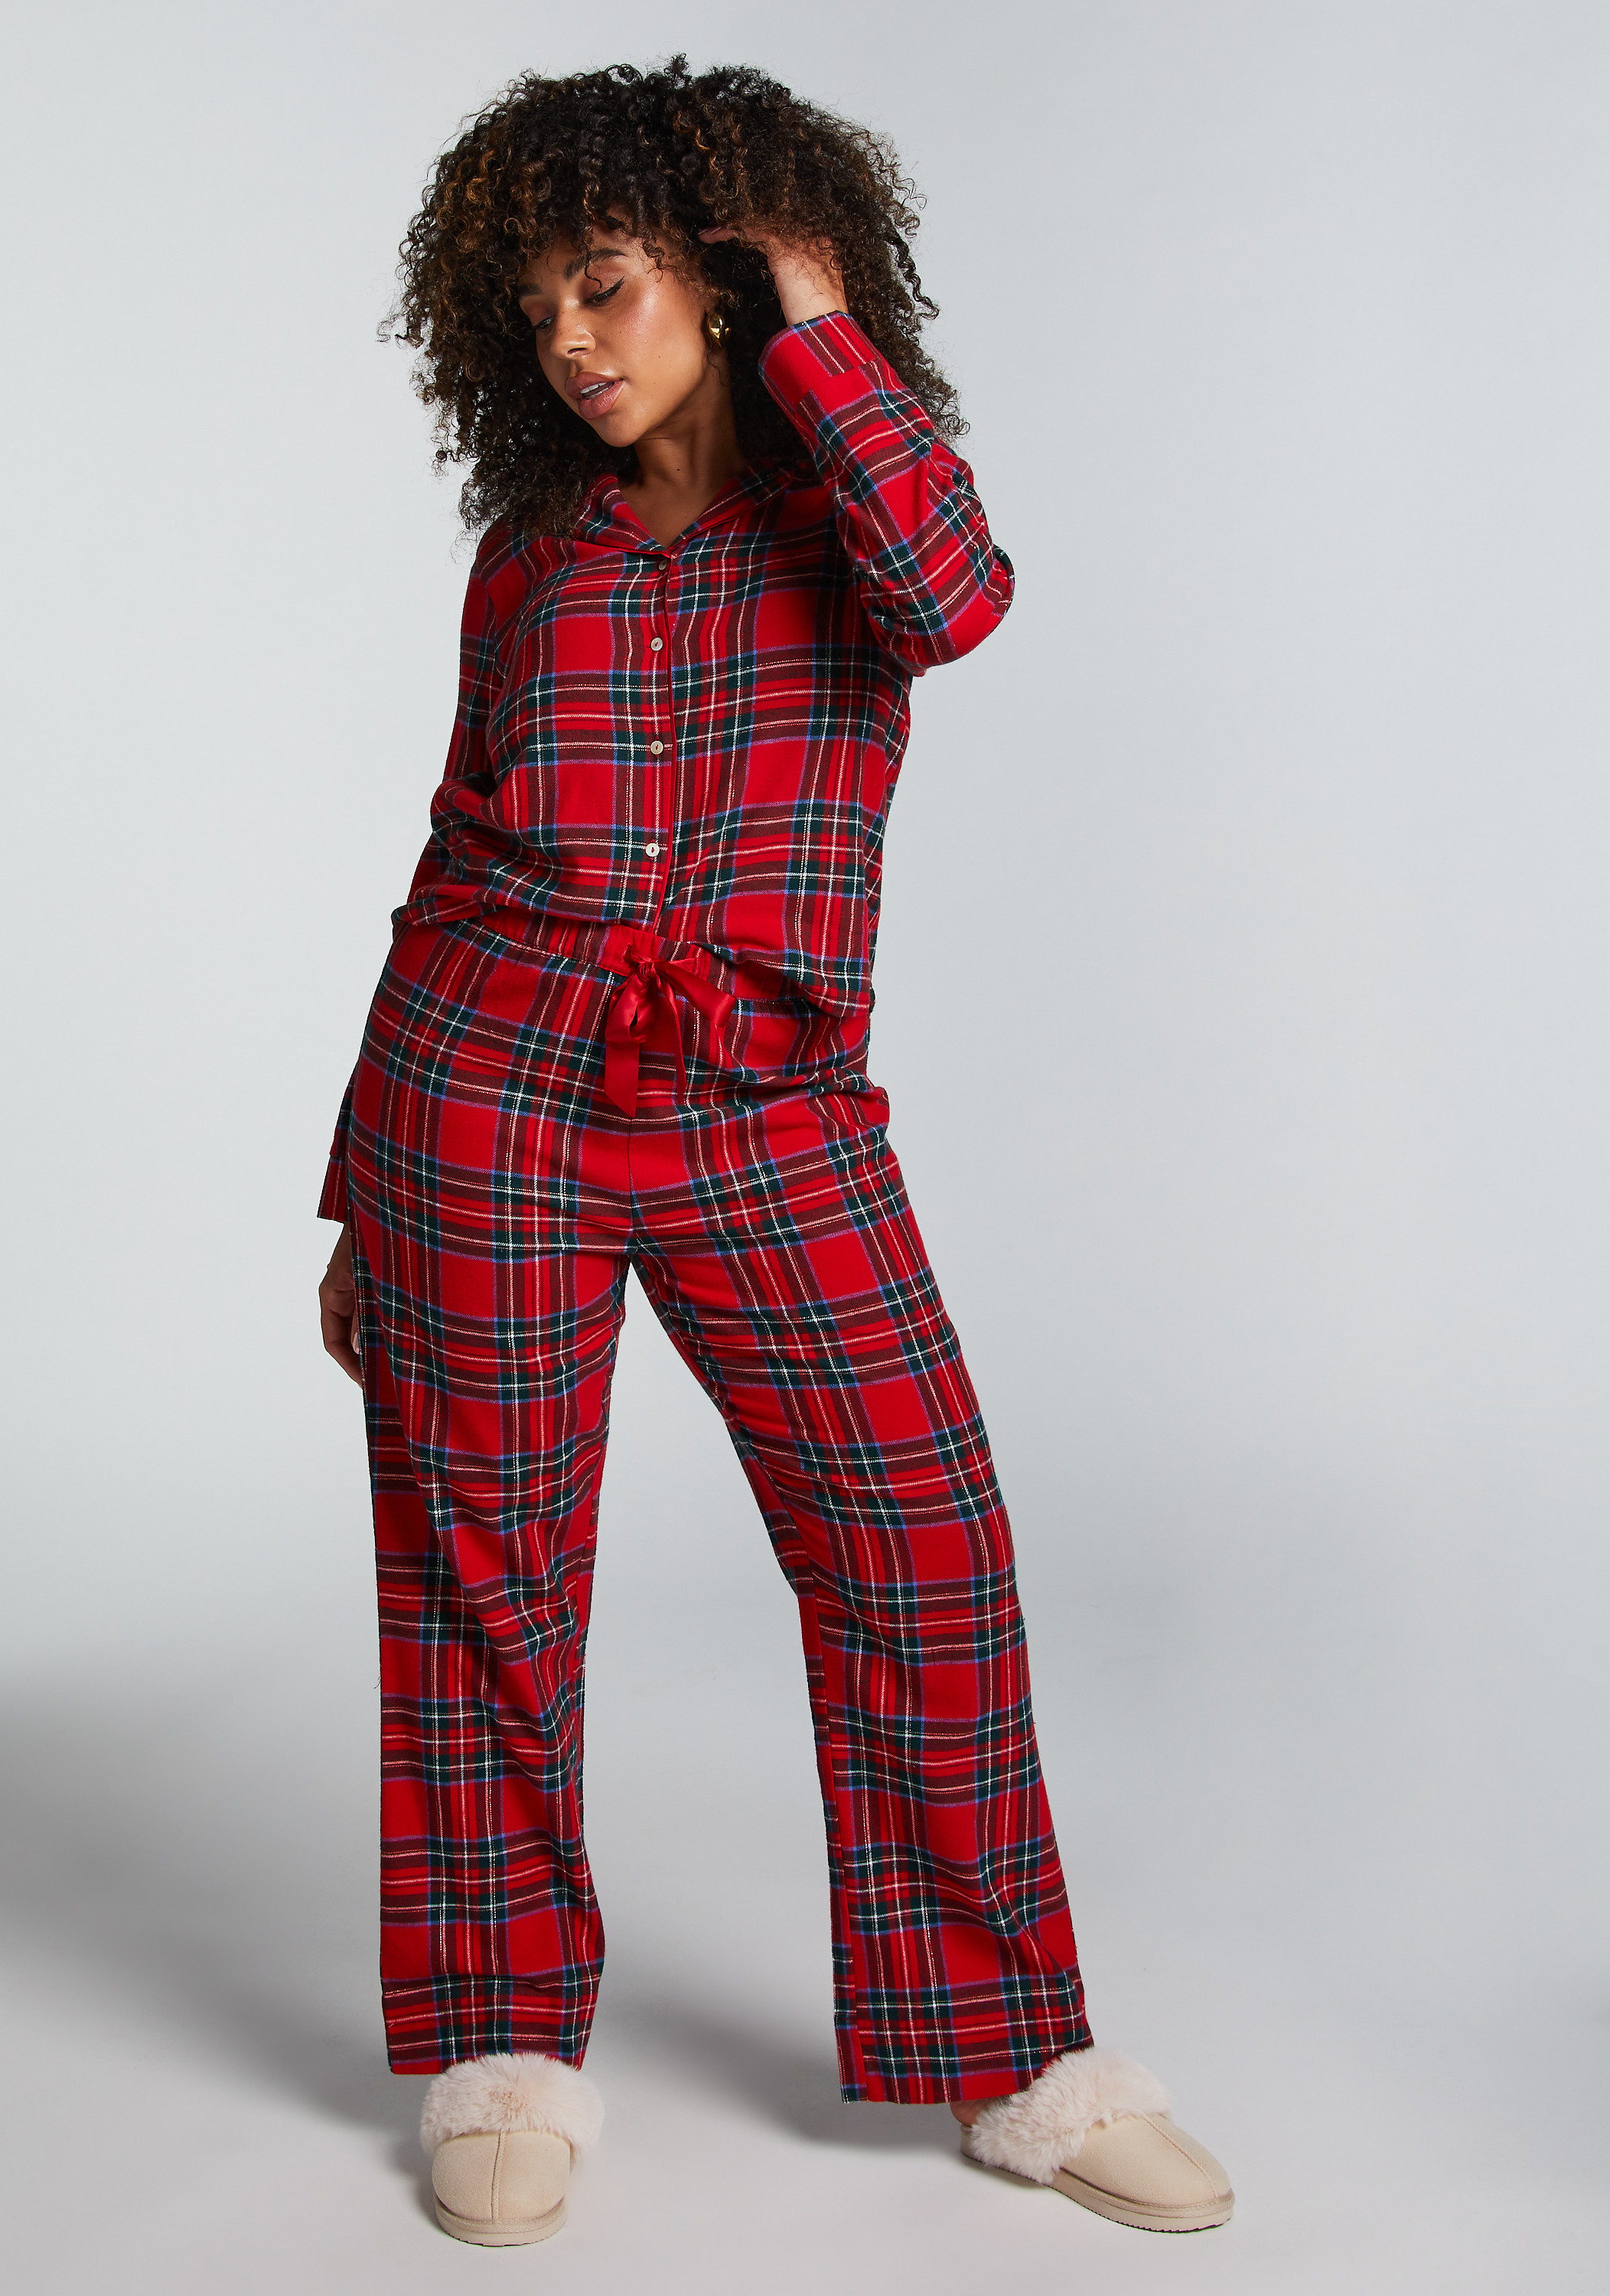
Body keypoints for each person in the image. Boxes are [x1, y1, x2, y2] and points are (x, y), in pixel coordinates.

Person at [316, 56, 1232, 2247]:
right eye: (537, 306)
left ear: (718, 277)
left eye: (610, 283)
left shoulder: (853, 518)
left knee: (920, 1539)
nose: (572, 340)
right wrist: (356, 1184)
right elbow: (451, 855)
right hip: (488, 1102)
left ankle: (1013, 2058)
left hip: (765, 1112)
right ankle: (503, 2047)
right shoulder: (530, 558)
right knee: (483, 1569)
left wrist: (819, 323)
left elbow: (962, 593)